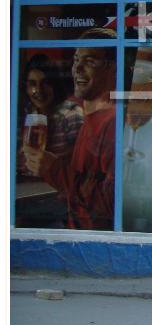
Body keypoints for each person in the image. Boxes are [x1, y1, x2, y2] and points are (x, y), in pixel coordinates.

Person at [23, 28, 117, 230]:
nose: (77, 68)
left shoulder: (114, 121)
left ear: (114, 71)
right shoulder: (89, 118)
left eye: (89, 61)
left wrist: (53, 169)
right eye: (76, 60)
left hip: (91, 242)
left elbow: (111, 203)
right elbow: (80, 189)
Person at [16, 53, 85, 228]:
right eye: (32, 84)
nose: (38, 90)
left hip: (59, 201)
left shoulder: (70, 113)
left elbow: (83, 166)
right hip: (29, 197)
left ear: (54, 84)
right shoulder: (28, 112)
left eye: (45, 82)